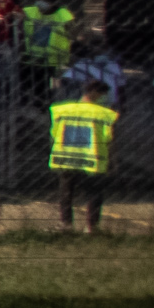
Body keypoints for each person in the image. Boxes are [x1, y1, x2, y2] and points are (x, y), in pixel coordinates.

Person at [48, 68, 116, 230]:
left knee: (66, 192)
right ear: (95, 93)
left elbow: (54, 134)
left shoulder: (62, 110)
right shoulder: (104, 114)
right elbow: (109, 139)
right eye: (103, 95)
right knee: (94, 192)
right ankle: (91, 227)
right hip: (91, 158)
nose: (105, 99)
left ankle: (66, 224)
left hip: (66, 156)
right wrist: (113, 160)